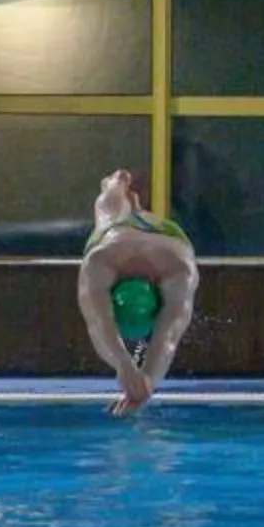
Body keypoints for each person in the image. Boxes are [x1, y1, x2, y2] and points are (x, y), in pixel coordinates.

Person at [76, 168, 199, 416]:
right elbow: (166, 336)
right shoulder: (175, 268)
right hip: (145, 238)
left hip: (136, 239)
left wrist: (132, 372)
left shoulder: (102, 261)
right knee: (108, 211)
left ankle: (115, 186)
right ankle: (116, 188)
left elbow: (101, 321)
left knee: (108, 212)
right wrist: (139, 378)